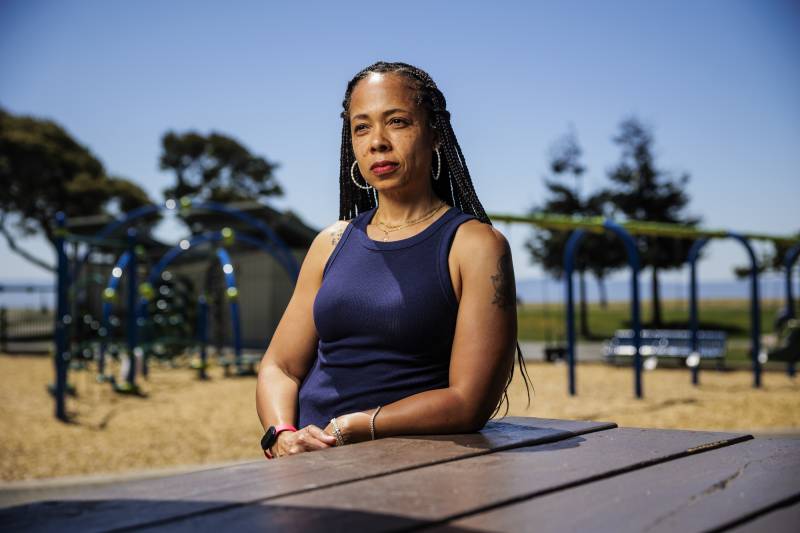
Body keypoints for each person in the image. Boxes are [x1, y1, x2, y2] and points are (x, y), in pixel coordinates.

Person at [256, 61, 532, 459]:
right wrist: (282, 433)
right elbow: (279, 367)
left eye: (397, 122)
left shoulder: (475, 246)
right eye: (361, 127)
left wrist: (356, 425)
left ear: (435, 134)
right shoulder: (331, 243)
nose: (377, 142)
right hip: (307, 463)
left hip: (411, 464)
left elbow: (468, 402)